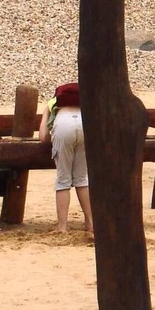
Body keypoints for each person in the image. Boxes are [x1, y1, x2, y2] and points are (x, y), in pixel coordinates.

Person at [38, 82, 92, 235]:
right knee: (81, 179)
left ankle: (62, 226)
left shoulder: (51, 104)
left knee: (63, 180)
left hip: (63, 125)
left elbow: (43, 137)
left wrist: (53, 140)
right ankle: (90, 223)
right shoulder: (86, 104)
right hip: (84, 126)